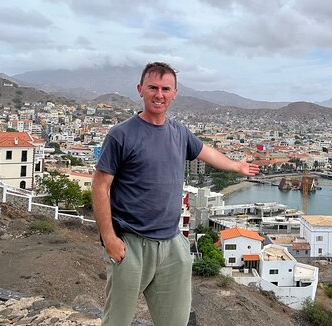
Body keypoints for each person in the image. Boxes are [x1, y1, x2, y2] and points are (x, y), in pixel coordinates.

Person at [93, 62, 260, 326]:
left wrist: (236, 165)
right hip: (132, 243)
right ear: (141, 90)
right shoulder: (121, 135)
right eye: (153, 87)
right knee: (117, 321)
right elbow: (100, 186)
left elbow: (208, 152)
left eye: (165, 89)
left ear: (174, 93)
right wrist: (108, 238)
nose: (159, 94)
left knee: (175, 321)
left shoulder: (179, 133)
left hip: (172, 243)